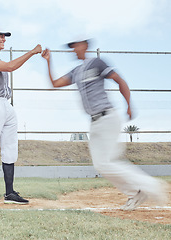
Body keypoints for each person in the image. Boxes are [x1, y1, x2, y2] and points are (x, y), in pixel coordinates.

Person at [41, 38, 168, 210]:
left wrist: (129, 105)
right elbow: (55, 84)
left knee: (105, 163)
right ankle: (136, 193)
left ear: (85, 46)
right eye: (71, 48)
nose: (73, 50)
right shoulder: (76, 71)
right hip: (95, 122)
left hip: (108, 117)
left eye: (76, 46)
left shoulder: (97, 63)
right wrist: (49, 62)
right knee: (102, 164)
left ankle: (149, 186)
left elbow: (120, 81)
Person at [0, 27, 42, 208]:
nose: (4, 39)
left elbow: (7, 66)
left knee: (10, 148)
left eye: (5, 36)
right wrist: (32, 52)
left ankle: (9, 192)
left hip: (5, 104)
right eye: (1, 36)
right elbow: (10, 67)